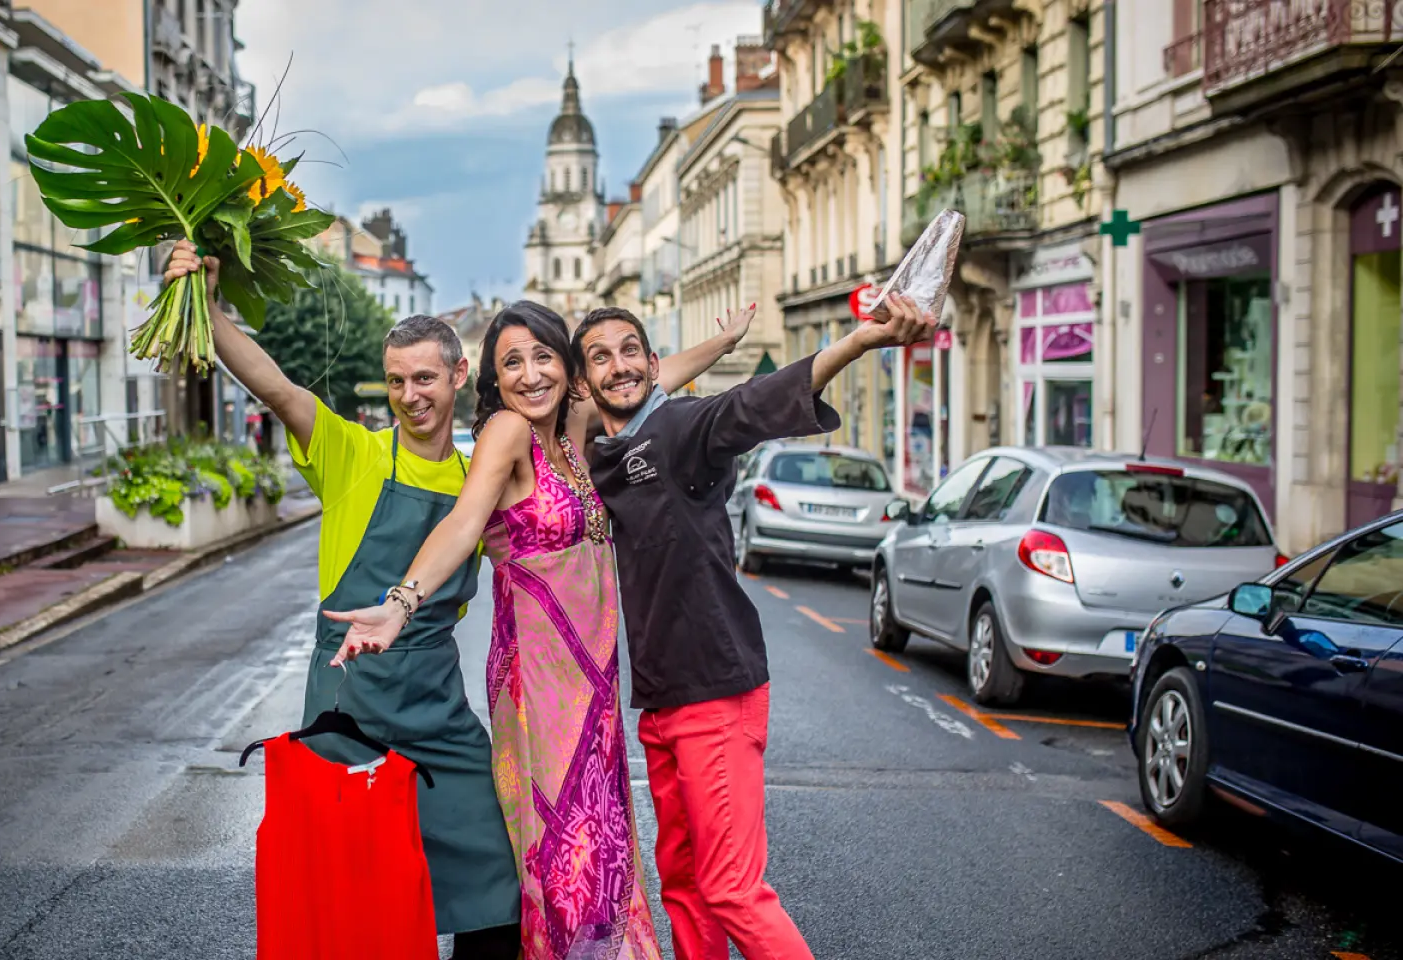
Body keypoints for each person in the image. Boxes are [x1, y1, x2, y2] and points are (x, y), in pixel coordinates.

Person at [324, 300, 750, 960]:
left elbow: (649, 381)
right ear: (494, 379)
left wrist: (722, 344)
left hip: (595, 683)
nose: (530, 375)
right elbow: (464, 523)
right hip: (539, 685)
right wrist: (401, 602)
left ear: (567, 366)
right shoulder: (507, 433)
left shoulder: (574, 427)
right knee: (562, 850)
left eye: (543, 357)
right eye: (512, 363)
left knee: (602, 842)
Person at [162, 240, 521, 957]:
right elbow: (276, 388)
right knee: (351, 895)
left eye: (425, 378)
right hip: (347, 707)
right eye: (396, 381)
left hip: (437, 706)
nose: (411, 395)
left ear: (458, 376)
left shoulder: (476, 478)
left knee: (497, 884)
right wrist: (207, 301)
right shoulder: (352, 453)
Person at [571, 298, 936, 960]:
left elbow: (750, 404)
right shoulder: (602, 454)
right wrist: (717, 344)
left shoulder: (683, 427)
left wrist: (857, 342)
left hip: (714, 690)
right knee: (683, 885)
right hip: (658, 700)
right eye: (600, 357)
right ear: (584, 380)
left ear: (653, 364)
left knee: (732, 888)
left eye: (629, 352)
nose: (618, 366)